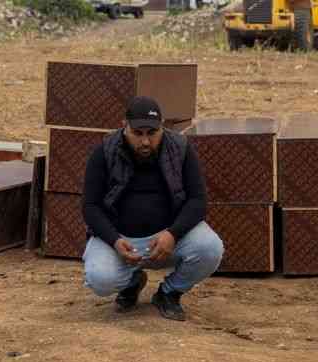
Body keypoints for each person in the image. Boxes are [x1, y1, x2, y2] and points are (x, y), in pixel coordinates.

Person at [81, 96, 224, 321]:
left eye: (152, 133)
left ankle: (169, 293)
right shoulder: (103, 152)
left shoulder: (181, 149)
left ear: (162, 127)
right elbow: (90, 207)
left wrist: (172, 234)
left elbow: (198, 201)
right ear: (124, 127)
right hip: (121, 240)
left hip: (169, 238)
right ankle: (132, 283)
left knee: (210, 248)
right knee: (100, 279)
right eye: (138, 134)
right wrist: (114, 241)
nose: (145, 142)